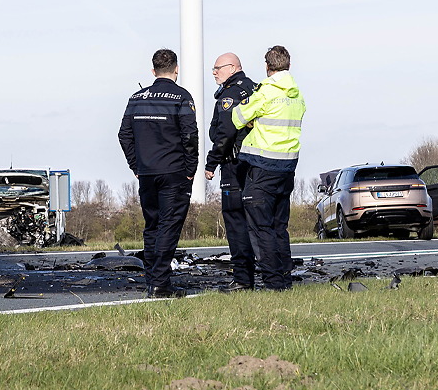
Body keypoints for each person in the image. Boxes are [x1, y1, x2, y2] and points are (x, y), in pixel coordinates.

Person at [118, 48, 198, 297]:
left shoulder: (136, 98)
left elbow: (124, 135)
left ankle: (153, 280)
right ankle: (160, 284)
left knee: (152, 226)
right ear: (176, 69)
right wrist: (190, 169)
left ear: (153, 71)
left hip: (147, 173)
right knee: (169, 226)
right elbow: (189, 136)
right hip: (174, 172)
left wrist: (136, 166)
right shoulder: (181, 97)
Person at [231, 45, 306, 291]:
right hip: (288, 168)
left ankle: (273, 284)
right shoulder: (297, 94)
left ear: (267, 66)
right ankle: (284, 280)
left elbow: (237, 117)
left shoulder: (266, 91)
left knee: (261, 228)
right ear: (289, 65)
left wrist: (253, 119)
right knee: (279, 227)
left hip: (264, 167)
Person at [204, 52, 256, 292]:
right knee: (260, 223)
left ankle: (243, 280)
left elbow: (225, 132)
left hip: (234, 166)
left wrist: (211, 162)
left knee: (236, 222)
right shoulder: (256, 88)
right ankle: (275, 277)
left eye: (218, 68)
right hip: (258, 165)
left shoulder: (230, 94)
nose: (214, 72)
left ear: (234, 67)